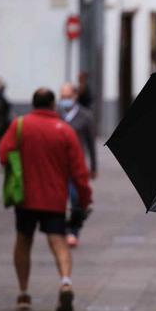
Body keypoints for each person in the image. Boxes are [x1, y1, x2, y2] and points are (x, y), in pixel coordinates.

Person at [0, 88, 92, 311]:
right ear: (53, 105)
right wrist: (85, 199)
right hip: (54, 198)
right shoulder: (65, 131)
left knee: (23, 241)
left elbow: (2, 155)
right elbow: (79, 172)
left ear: (32, 103)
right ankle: (66, 281)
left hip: (25, 198)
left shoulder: (20, 126)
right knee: (58, 242)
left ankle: (23, 293)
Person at [57, 82, 98, 247]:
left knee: (76, 198)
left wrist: (94, 166)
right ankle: (63, 230)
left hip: (76, 165)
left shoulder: (85, 116)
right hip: (58, 165)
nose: (65, 100)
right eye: (62, 97)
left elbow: (90, 144)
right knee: (59, 199)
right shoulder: (55, 114)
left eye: (67, 97)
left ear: (75, 96)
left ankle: (74, 230)